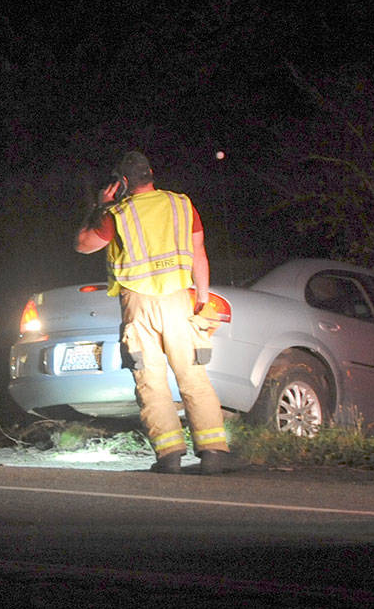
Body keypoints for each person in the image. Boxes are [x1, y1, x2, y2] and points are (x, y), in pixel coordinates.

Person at [74, 152, 245, 475]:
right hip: (179, 301)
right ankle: (213, 454)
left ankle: (169, 456)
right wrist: (202, 300)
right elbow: (199, 253)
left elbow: (83, 244)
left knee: (150, 381)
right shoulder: (182, 205)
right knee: (193, 376)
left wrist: (98, 206)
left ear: (122, 183)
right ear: (150, 175)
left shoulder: (117, 214)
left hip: (138, 306)